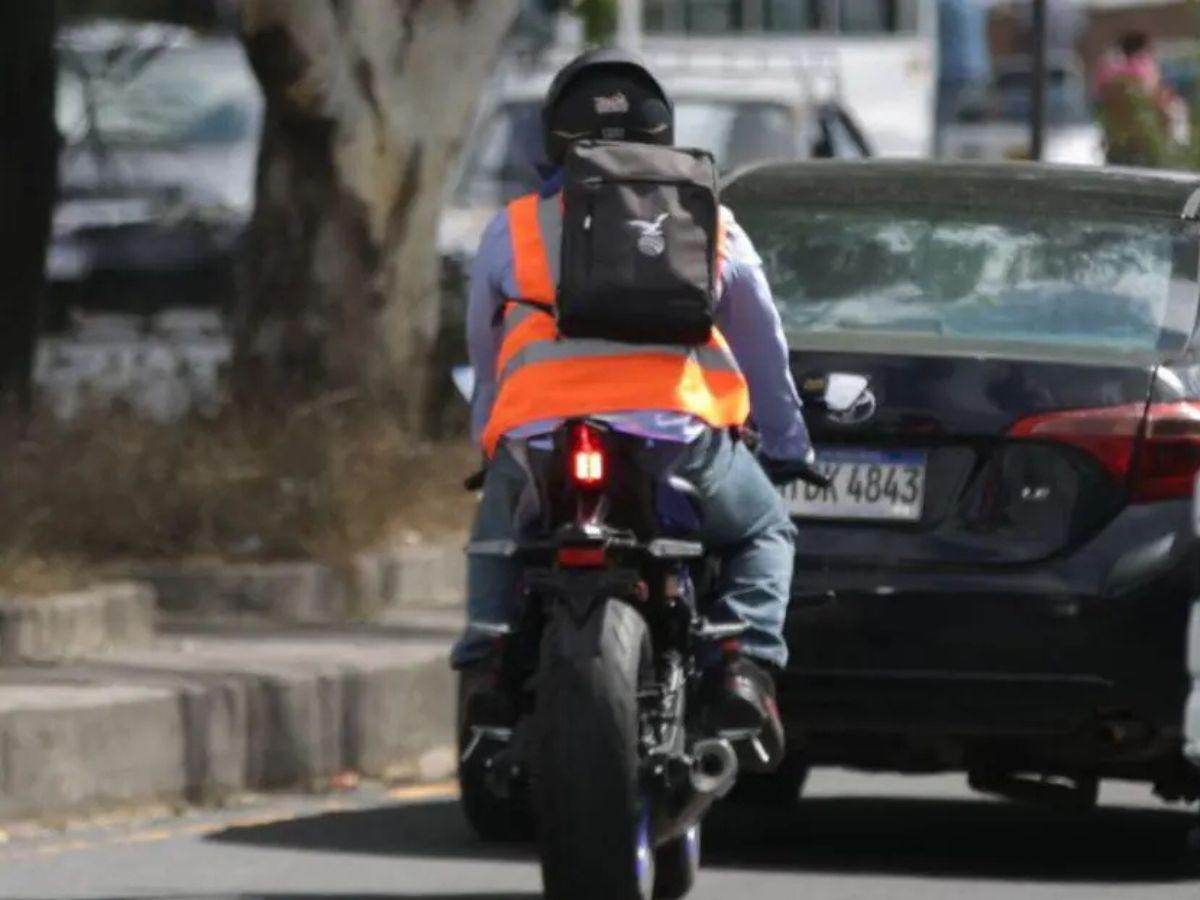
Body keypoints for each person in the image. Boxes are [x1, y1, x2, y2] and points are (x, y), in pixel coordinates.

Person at [452, 49, 811, 769]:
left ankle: (489, 661)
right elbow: (762, 343)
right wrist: (787, 440)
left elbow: (484, 348)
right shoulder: (708, 219)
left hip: (542, 441)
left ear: (551, 136)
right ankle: (742, 661)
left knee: (496, 535)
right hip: (677, 442)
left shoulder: (514, 226)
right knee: (767, 529)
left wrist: (490, 441)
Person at [1094, 31, 1182, 166]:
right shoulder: (1145, 71)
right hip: (1143, 141)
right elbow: (1159, 103)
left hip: (1116, 140)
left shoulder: (1108, 73)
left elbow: (1100, 103)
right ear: (1143, 50)